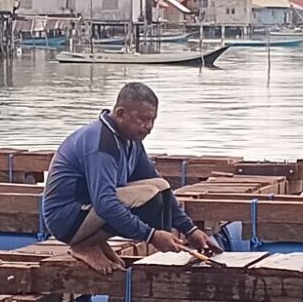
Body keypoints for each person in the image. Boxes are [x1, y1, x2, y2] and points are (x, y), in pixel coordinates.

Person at [43, 82, 221, 273]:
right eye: (143, 119)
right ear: (121, 114)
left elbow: (159, 185)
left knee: (160, 187)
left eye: (152, 120)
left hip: (88, 210)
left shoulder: (130, 141)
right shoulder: (102, 144)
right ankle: (84, 245)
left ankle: (96, 241)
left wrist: (189, 230)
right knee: (149, 197)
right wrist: (151, 236)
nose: (149, 127)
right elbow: (105, 203)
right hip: (66, 219)